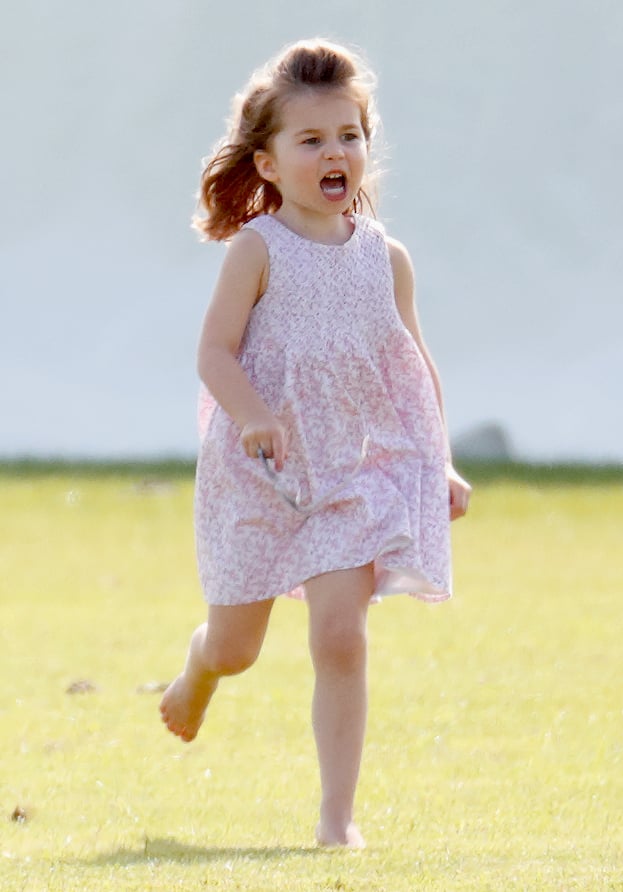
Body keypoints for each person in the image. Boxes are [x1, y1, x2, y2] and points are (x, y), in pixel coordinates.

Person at [160, 37, 471, 849]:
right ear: (266, 164)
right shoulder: (256, 251)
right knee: (238, 647)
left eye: (350, 135)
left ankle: (337, 821)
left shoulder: (384, 259)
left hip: (348, 477)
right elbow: (213, 353)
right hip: (256, 476)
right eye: (311, 140)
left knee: (341, 634)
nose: (336, 152)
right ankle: (197, 671)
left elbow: (409, 365)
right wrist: (254, 414)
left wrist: (435, 458)